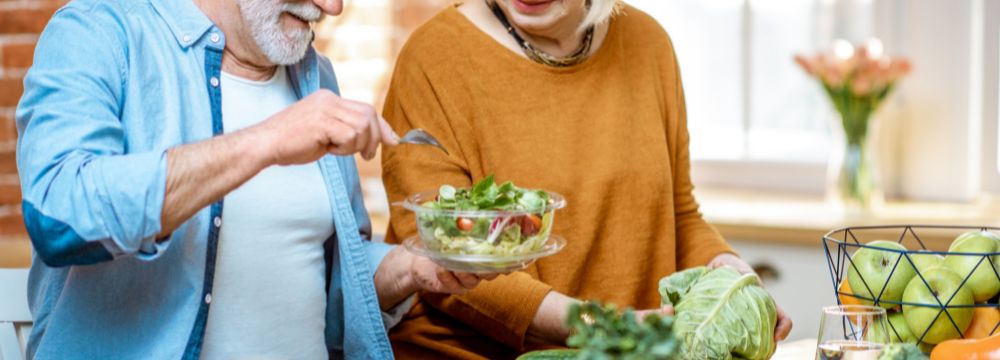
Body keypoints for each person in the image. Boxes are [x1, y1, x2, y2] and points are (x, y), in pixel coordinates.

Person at [15, 0, 495, 358]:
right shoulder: (98, 32)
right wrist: (266, 140)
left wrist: (412, 268)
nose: (333, 7)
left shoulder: (315, 75)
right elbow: (59, 217)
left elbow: (323, 289)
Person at [380, 0, 794, 358]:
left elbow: (679, 214)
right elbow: (440, 258)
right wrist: (595, 326)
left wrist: (734, 279)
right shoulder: (434, 57)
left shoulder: (649, 44)